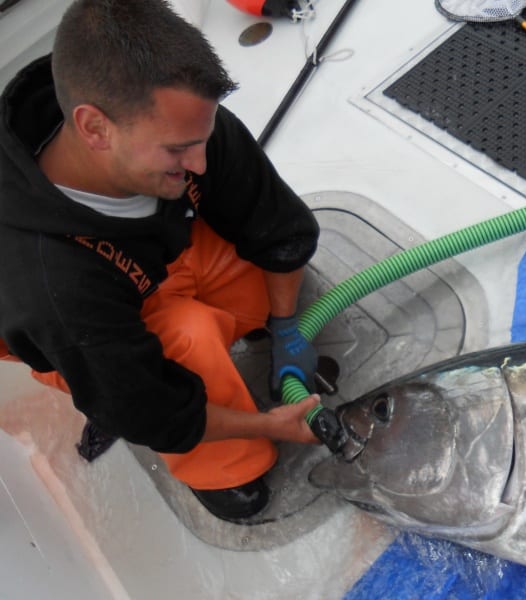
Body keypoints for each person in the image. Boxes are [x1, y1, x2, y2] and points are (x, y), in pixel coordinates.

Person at [0, 0, 325, 523]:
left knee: (259, 287)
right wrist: (277, 426)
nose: (199, 161)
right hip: (75, 324)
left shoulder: (184, 123)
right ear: (95, 129)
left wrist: (287, 328)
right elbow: (153, 409)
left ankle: (251, 325)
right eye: (178, 151)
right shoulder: (48, 285)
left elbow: (276, 227)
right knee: (187, 341)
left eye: (202, 138)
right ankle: (223, 469)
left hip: (152, 252)